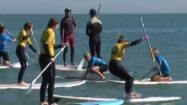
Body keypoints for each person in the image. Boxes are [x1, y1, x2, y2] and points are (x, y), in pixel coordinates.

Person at [39, 18, 65, 105]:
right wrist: (50, 57)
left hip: (42, 58)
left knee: (45, 80)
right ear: (54, 24)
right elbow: (46, 45)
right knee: (51, 80)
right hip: (47, 59)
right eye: (57, 25)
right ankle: (51, 102)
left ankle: (42, 101)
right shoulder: (51, 32)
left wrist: (59, 46)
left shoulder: (45, 31)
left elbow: (49, 46)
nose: (57, 27)